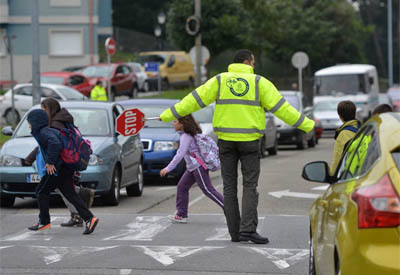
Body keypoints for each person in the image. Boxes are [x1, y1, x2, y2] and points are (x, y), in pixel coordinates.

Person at [159, 49, 314, 244]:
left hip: (226, 142)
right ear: (248, 62)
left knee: (229, 188)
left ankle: (235, 233)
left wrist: (168, 115)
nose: (254, 66)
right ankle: (248, 230)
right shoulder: (259, 83)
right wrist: (308, 125)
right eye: (254, 62)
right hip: (250, 142)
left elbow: (193, 100)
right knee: (250, 185)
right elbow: (282, 109)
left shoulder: (220, 81)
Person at [26, 109, 99, 234]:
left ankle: (44, 222)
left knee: (41, 191)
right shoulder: (47, 130)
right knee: (70, 194)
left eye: (30, 122)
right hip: (65, 167)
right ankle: (89, 219)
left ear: (35, 122)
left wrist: (50, 162)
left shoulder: (43, 132)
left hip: (58, 168)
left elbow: (55, 143)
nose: (29, 125)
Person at [160, 115, 224, 223]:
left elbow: (180, 154)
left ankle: (230, 210)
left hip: (198, 167)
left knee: (208, 190)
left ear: (182, 124)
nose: (173, 123)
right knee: (182, 187)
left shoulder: (186, 137)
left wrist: (168, 168)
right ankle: (181, 215)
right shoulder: (186, 135)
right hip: (192, 168)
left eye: (175, 121)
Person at [329, 101, 361, 176]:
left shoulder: (343, 134)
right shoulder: (362, 129)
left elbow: (338, 157)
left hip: (349, 174)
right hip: (362, 171)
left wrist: (332, 175)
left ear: (340, 116)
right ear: (354, 113)